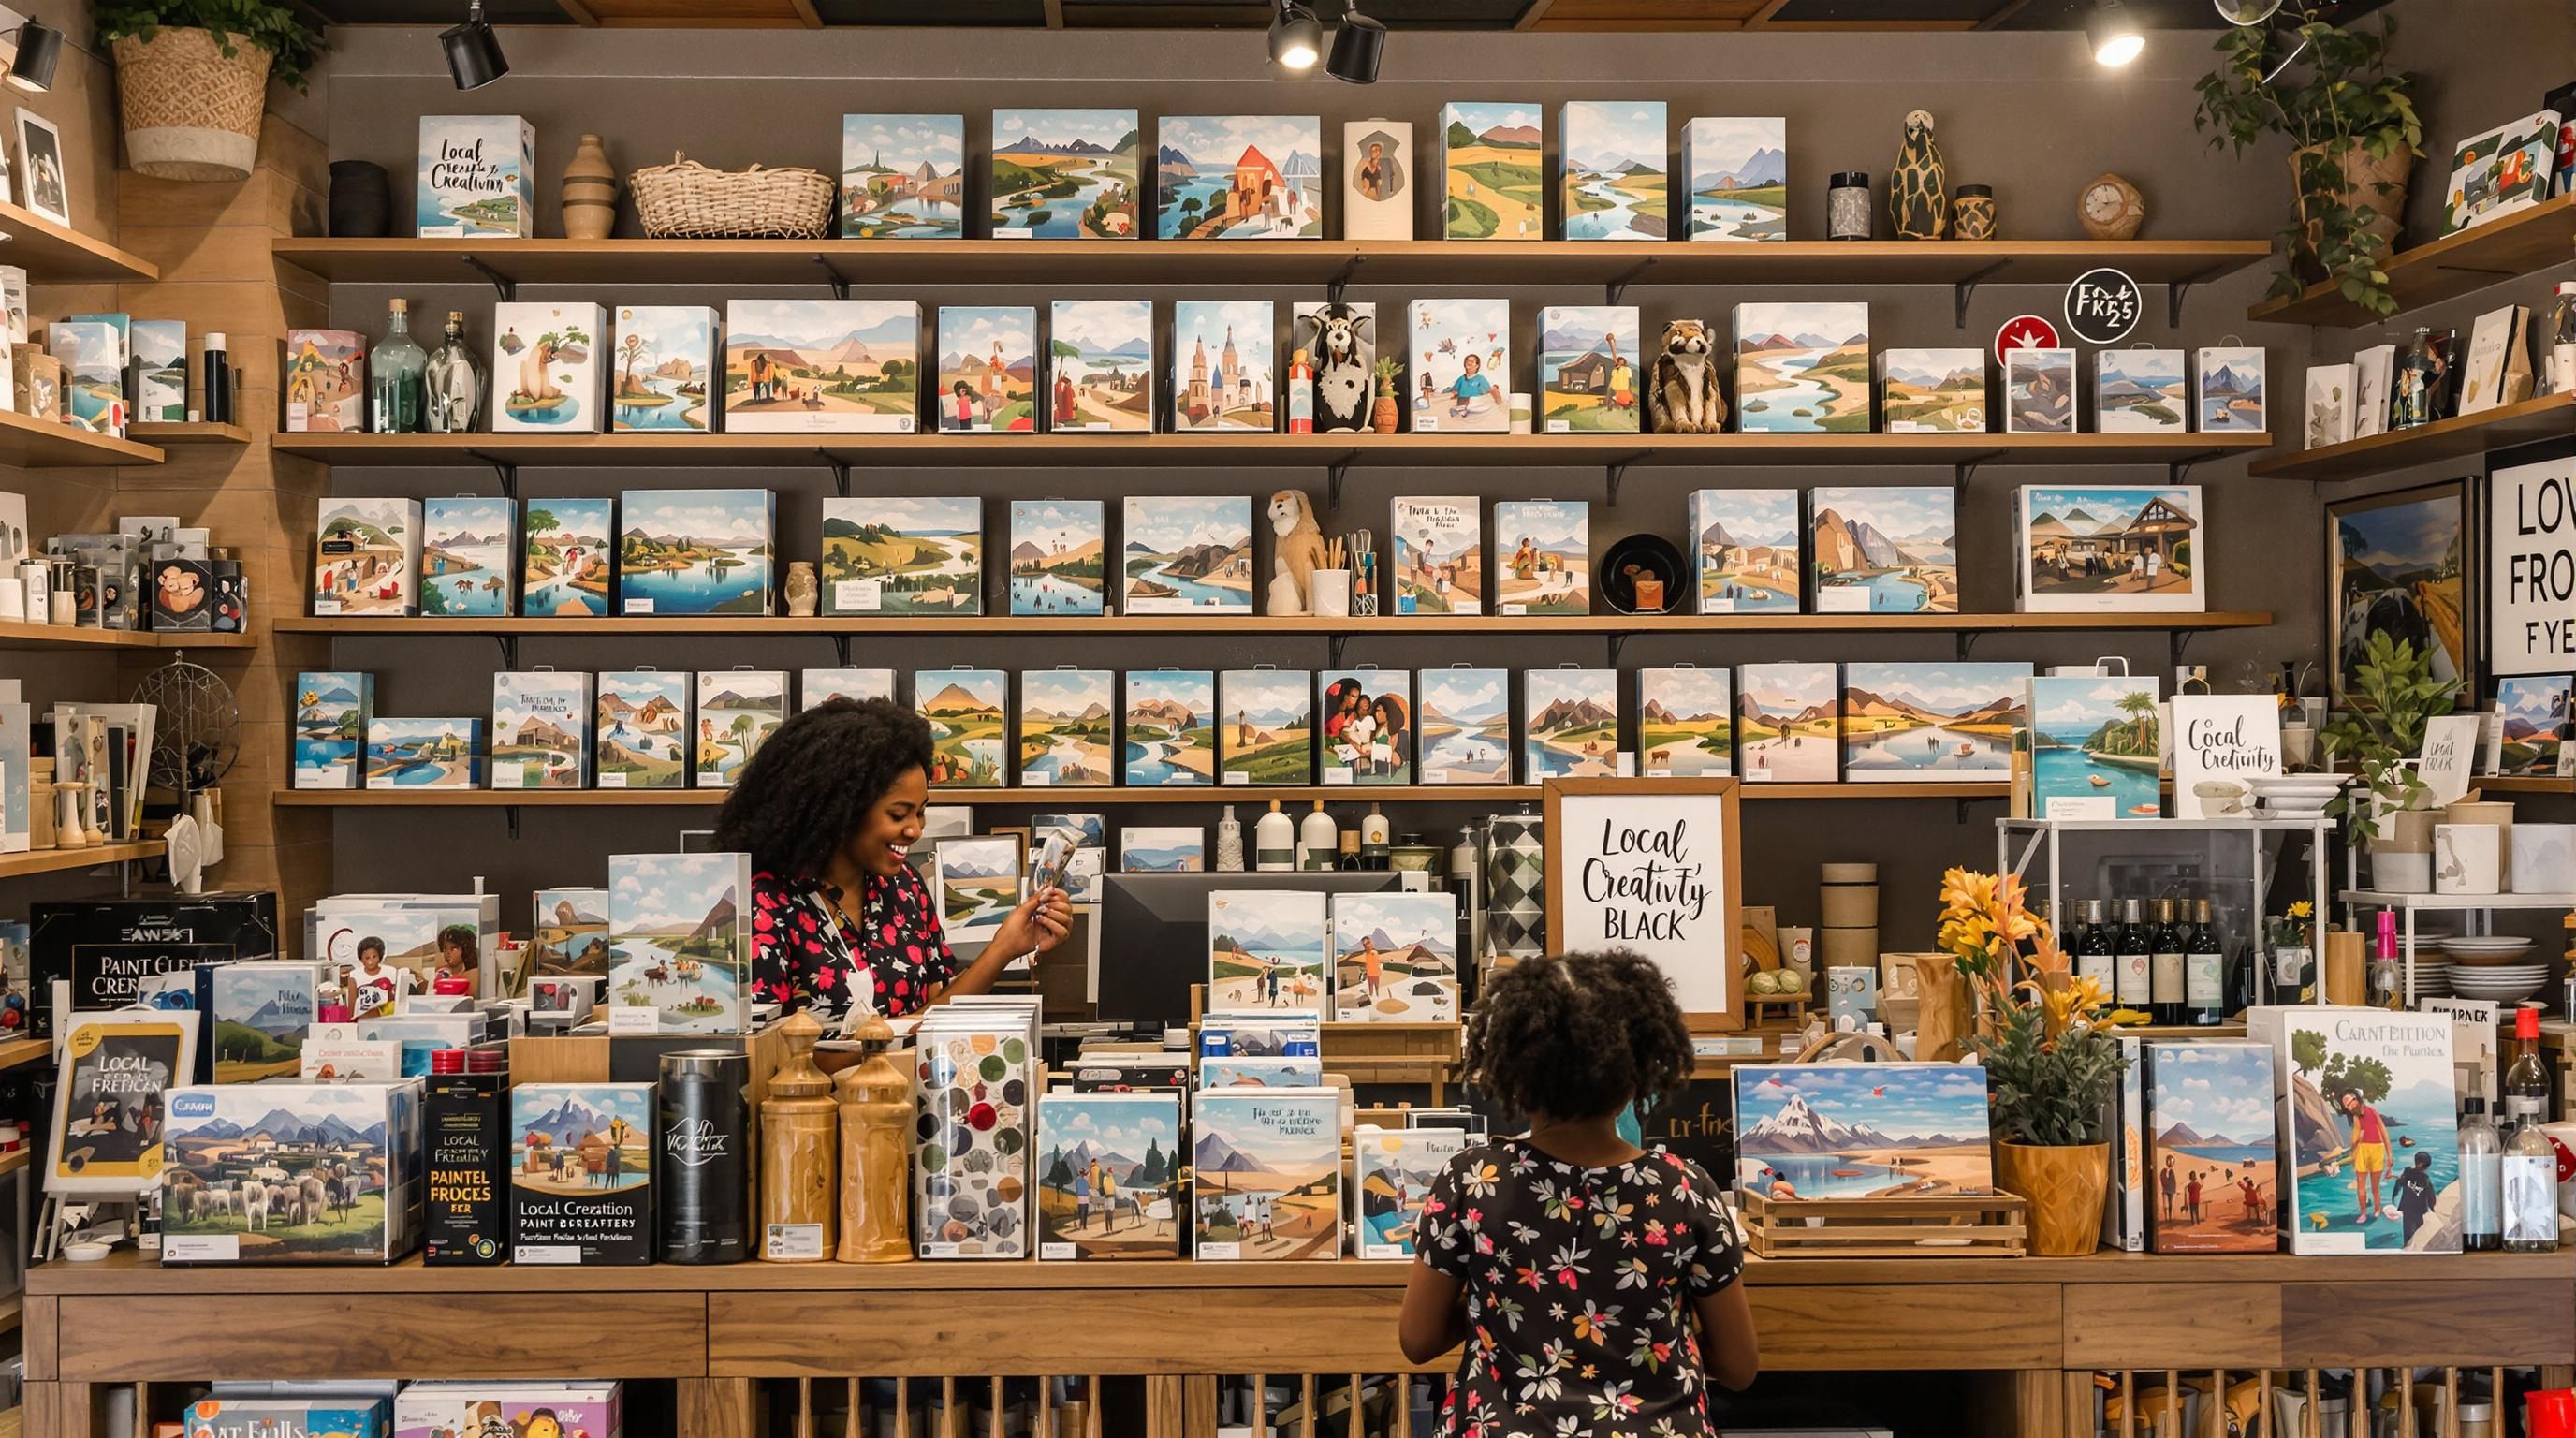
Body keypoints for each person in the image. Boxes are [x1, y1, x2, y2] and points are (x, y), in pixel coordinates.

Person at [1399, 952, 1758, 1436]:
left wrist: (1500, 1315)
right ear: (1636, 1076)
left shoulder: (1471, 1180)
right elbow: (1738, 1366)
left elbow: (1418, 1339)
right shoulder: (1686, 1188)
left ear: (1513, 1077)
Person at [719, 698, 1072, 1021]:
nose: (915, 830)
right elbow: (765, 1055)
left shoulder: (905, 887)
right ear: (841, 810)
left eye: (920, 812)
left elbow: (935, 1015)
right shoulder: (762, 902)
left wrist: (1006, 947)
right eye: (898, 814)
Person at [2335, 1085, 2392, 1225]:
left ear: (2357, 1097)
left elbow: (2384, 1133)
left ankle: (2377, 1209)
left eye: (2351, 1100)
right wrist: (2358, 1137)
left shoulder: (2373, 1112)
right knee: (2361, 1186)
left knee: (2375, 1187)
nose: (2350, 1104)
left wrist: (2390, 1155)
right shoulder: (2355, 1118)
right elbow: (2353, 1141)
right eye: (2346, 1104)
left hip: (2377, 1150)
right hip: (2362, 1151)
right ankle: (2363, 1213)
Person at [2394, 1151, 2438, 1245]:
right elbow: (2431, 1197)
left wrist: (2395, 1193)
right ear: (2426, 1166)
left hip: (2407, 1208)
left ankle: (2407, 1246)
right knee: (2419, 1230)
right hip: (2419, 1209)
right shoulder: (2425, 1179)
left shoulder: (2407, 1172)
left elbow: (2400, 1183)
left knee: (2407, 1231)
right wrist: (2432, 1207)